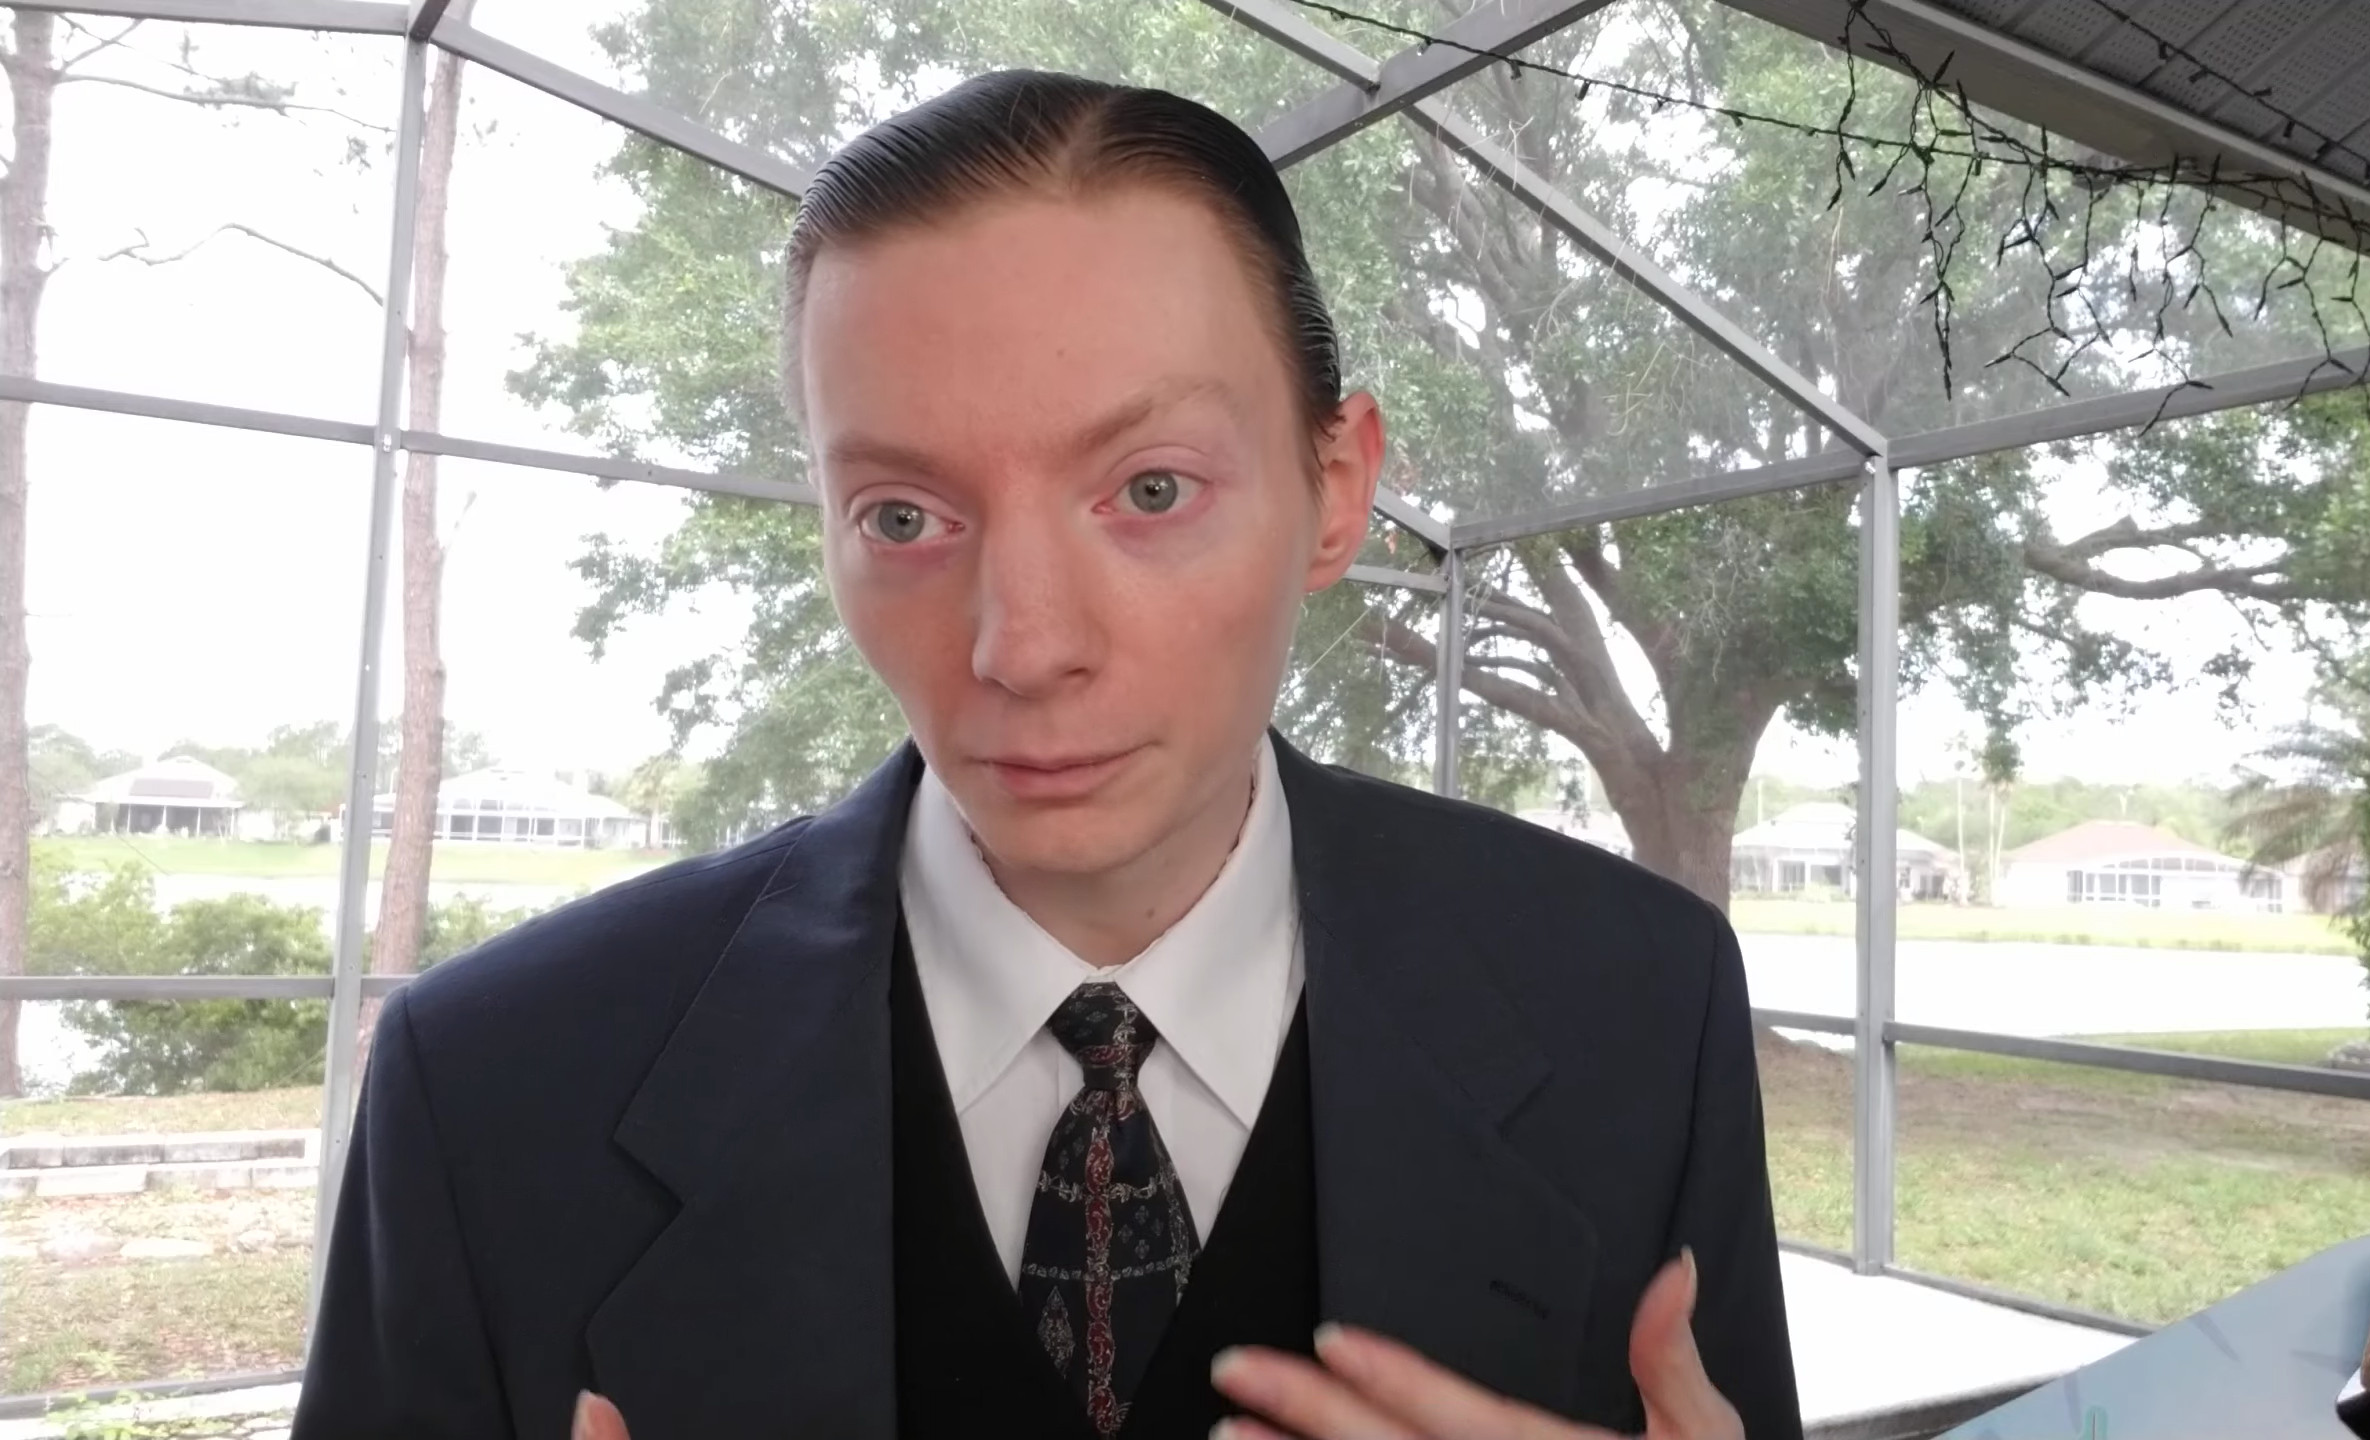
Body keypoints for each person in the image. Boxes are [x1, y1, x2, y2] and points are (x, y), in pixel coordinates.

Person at [294, 68, 1799, 1440]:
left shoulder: (1639, 1010)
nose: (1023, 645)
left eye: (1149, 489)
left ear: (1337, 488)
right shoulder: (493, 1090)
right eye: (904, 516)